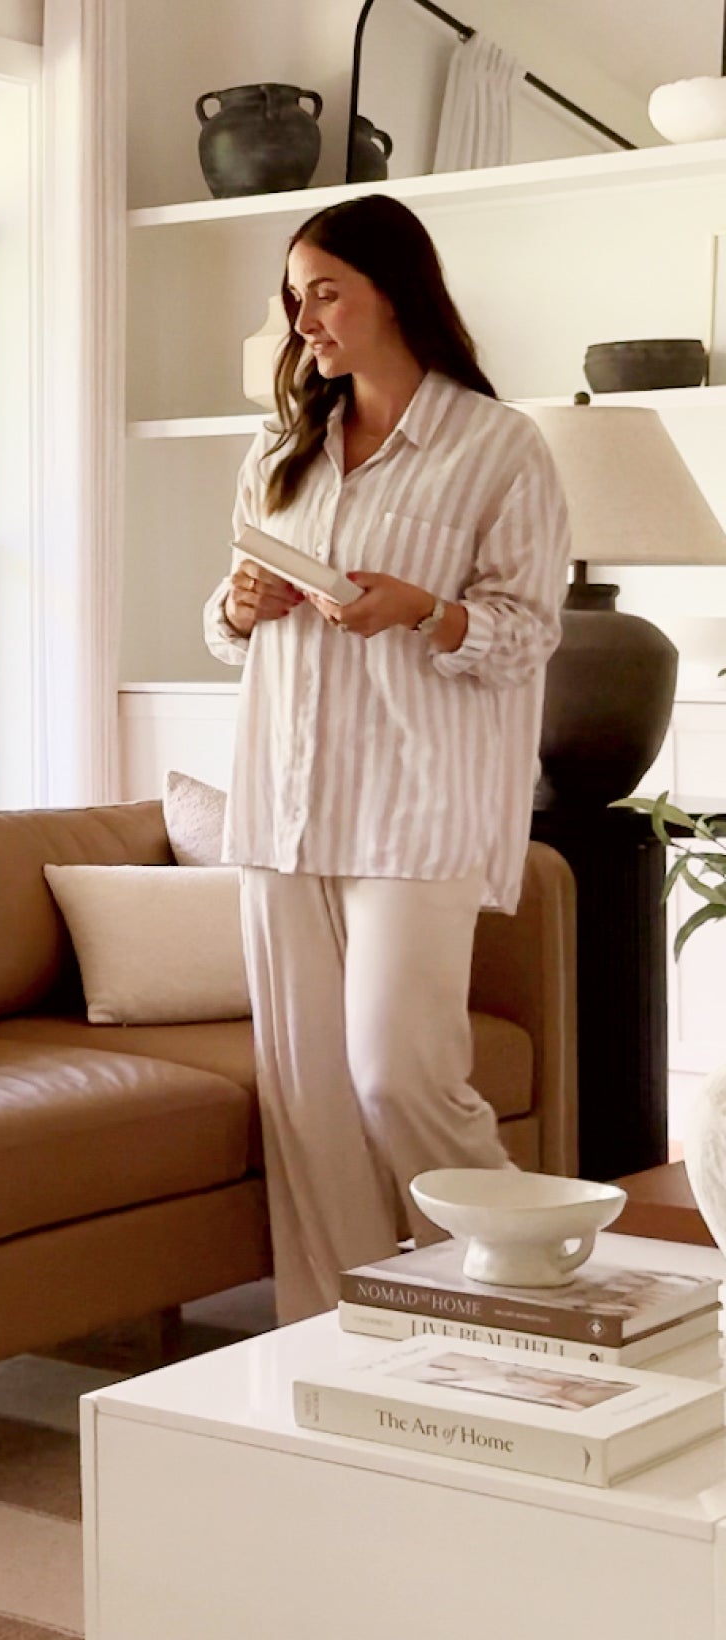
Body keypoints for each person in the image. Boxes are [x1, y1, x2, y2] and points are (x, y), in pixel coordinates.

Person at [203, 193, 570, 1324]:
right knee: (307, 1103)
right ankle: (347, 1333)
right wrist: (241, 600)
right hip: (280, 806)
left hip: (415, 808)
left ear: (392, 291)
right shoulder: (282, 448)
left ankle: (531, 1282)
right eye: (292, 296)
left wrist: (426, 611)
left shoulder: (497, 447)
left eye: (324, 291)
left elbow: (526, 634)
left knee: (396, 1076)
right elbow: (220, 632)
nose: (301, 319)